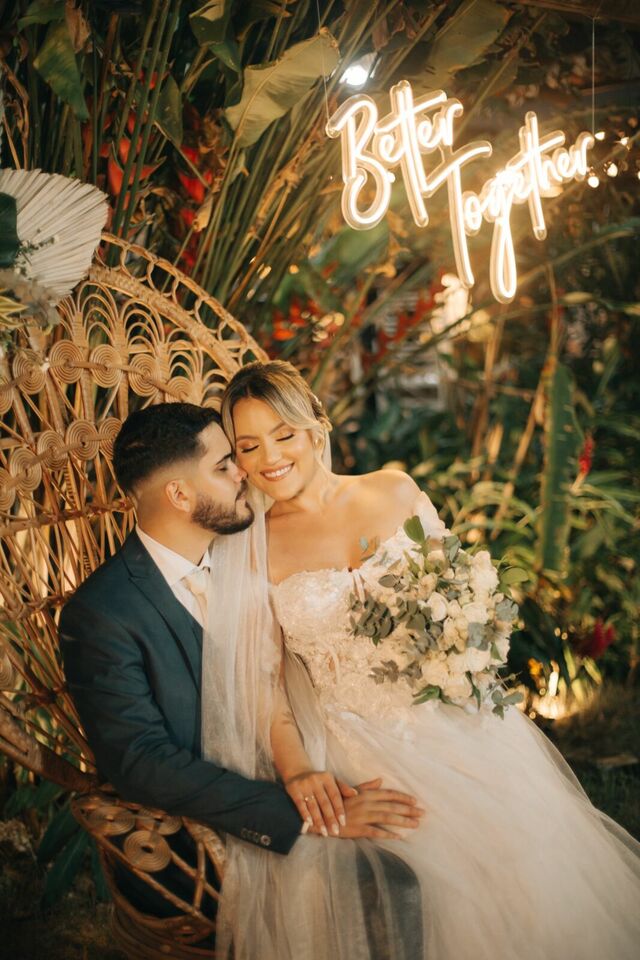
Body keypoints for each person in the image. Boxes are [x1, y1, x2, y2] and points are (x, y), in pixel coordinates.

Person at [207, 359, 640, 960]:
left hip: (451, 709)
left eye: (282, 434)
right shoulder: (250, 544)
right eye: (248, 445)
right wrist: (299, 771)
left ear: (314, 427)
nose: (269, 457)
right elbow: (264, 679)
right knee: (444, 867)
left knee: (525, 852)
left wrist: (469, 649)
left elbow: (457, 592)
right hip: (355, 737)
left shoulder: (393, 490)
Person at [59, 402, 423, 931]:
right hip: (208, 841)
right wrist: (305, 817)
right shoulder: (102, 614)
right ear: (180, 495)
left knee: (439, 834)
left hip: (320, 768)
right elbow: (141, 763)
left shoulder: (250, 556)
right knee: (397, 883)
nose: (244, 474)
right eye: (225, 465)